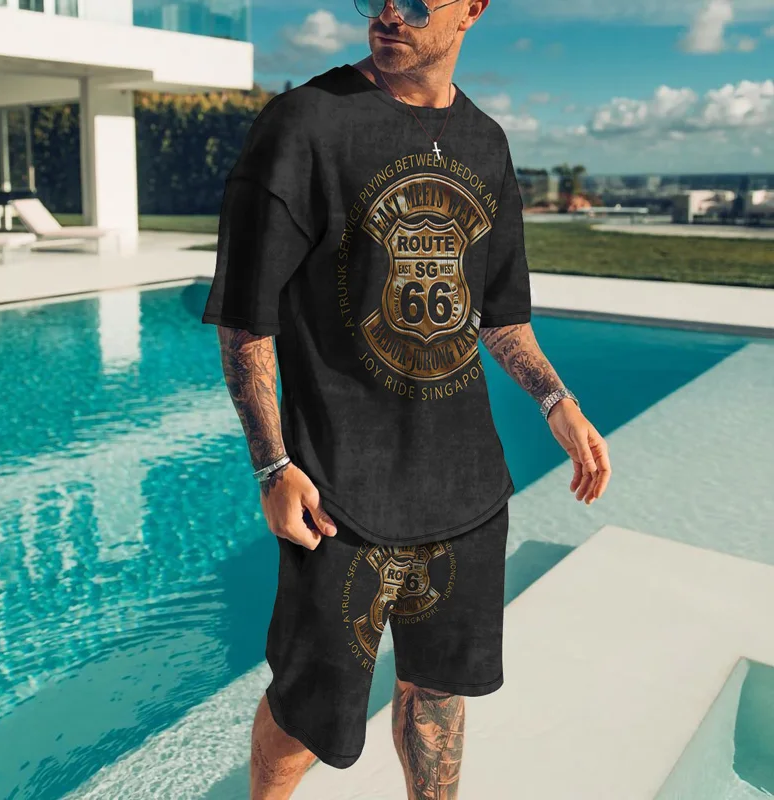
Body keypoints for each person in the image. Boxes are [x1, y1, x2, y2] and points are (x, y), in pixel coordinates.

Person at [201, 0, 612, 796]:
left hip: (464, 491)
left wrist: (556, 400)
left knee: (437, 696)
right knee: (306, 719)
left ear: (472, 10)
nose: (390, 12)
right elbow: (247, 320)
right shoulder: (305, 124)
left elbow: (499, 315)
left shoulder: (485, 141)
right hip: (339, 498)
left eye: (418, 1)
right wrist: (272, 465)